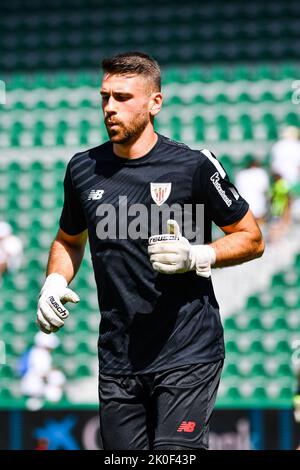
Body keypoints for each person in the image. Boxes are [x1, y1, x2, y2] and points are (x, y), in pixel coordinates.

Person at [36, 52, 264, 450]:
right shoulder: (82, 169)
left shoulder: (193, 166)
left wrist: (198, 256)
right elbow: (69, 240)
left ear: (155, 102)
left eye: (123, 97)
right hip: (119, 358)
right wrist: (54, 281)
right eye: (105, 97)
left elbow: (251, 237)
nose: (110, 108)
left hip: (188, 351)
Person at [20, 331, 65, 409]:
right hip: (35, 387)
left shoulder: (35, 351)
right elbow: (42, 374)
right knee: (57, 379)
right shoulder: (41, 353)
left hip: (34, 385)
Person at [235, 156, 269, 225]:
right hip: (258, 209)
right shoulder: (261, 172)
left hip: (243, 210)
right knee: (259, 230)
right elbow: (265, 191)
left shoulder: (240, 174)